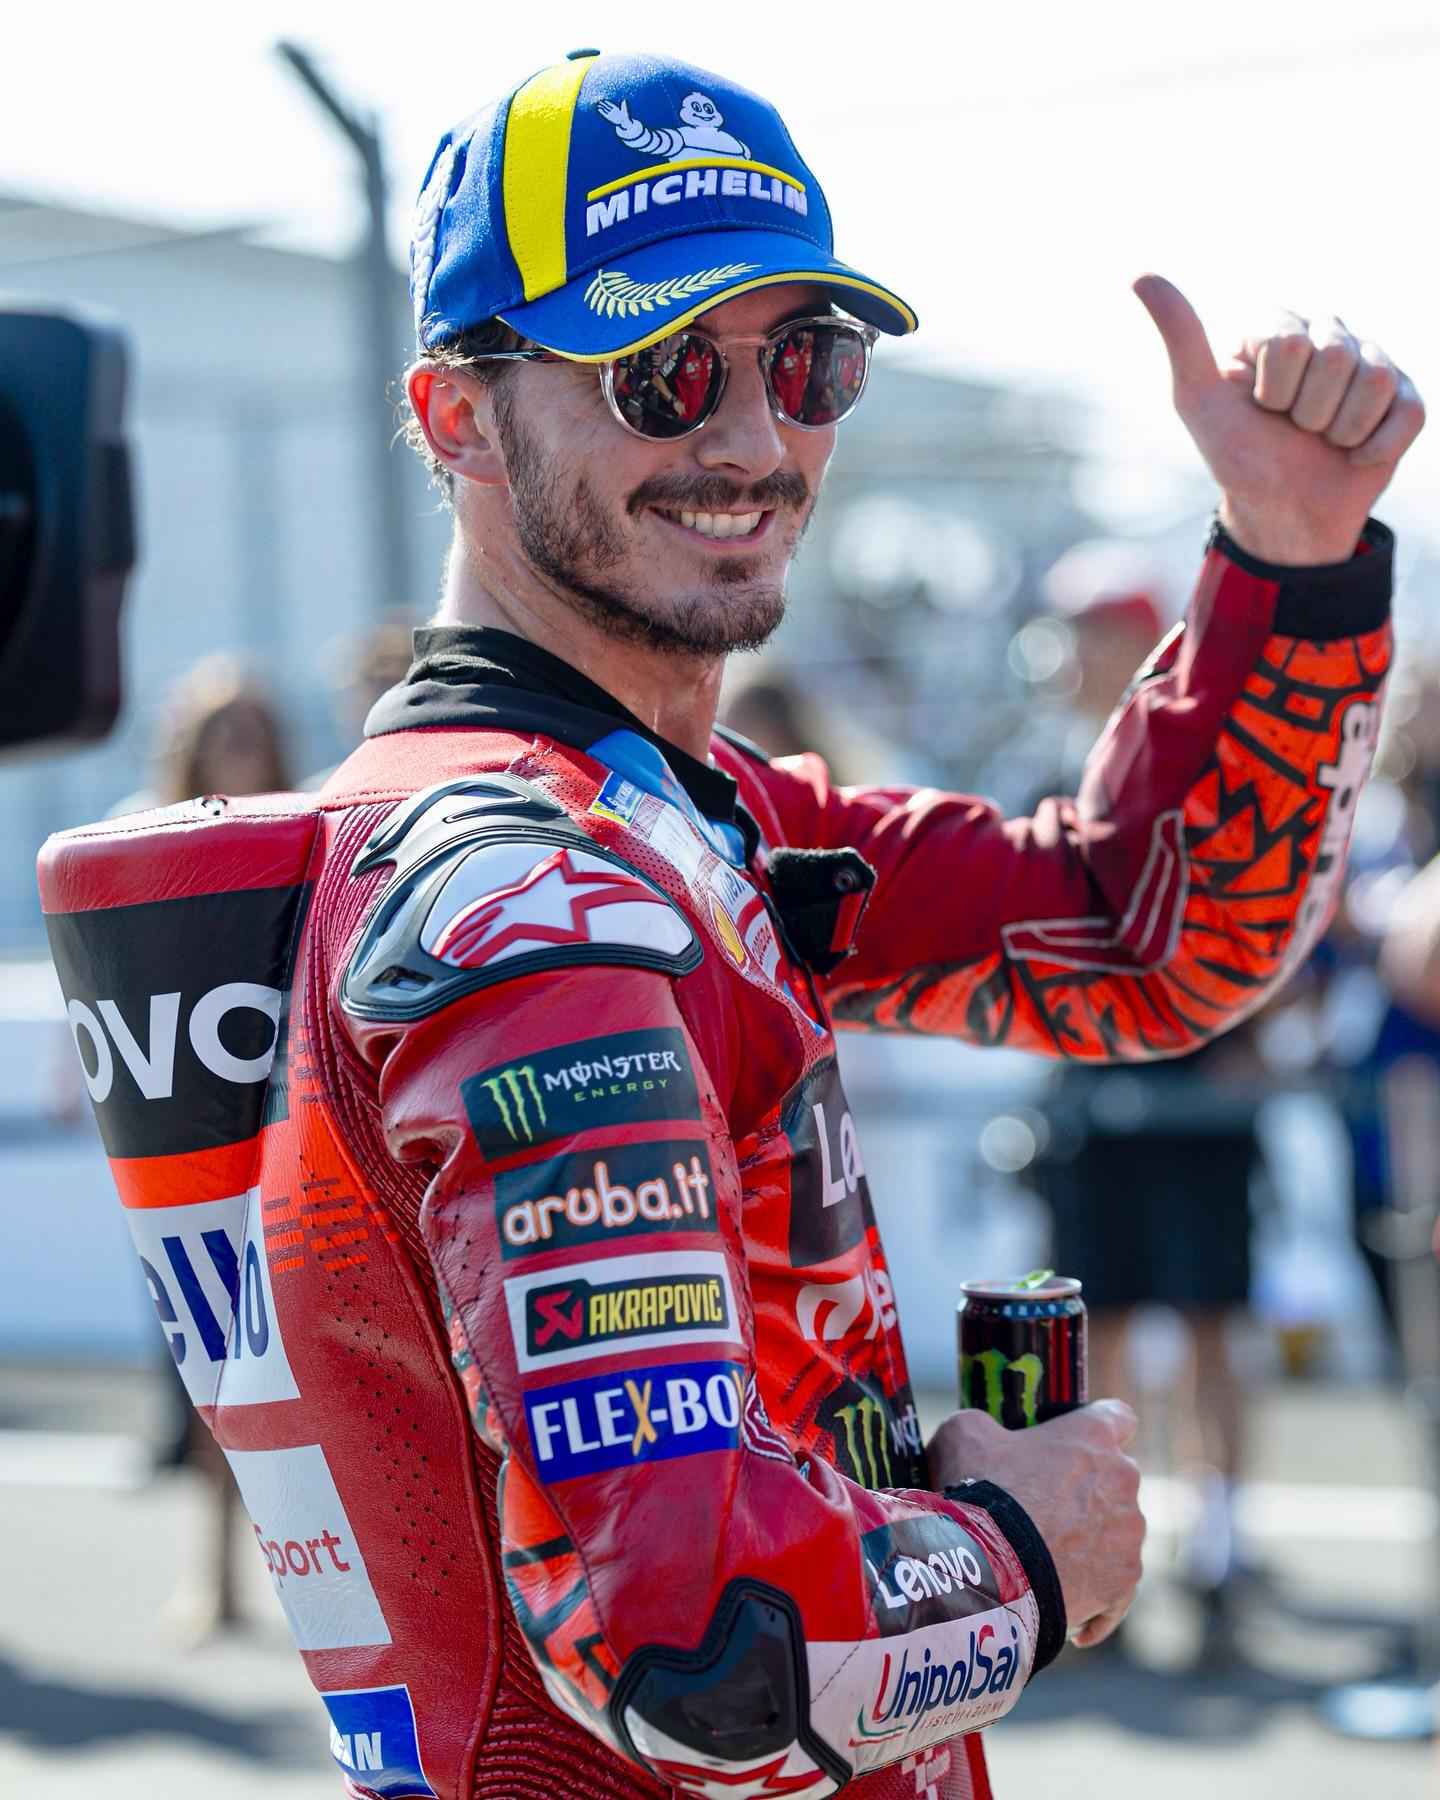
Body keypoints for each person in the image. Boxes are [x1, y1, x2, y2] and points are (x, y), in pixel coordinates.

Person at [37, 49, 1419, 1800]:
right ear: (455, 417)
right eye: (661, 368)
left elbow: (1142, 941)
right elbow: (697, 1647)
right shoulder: (536, 902)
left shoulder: (695, 821)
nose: (755, 438)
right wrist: (1021, 1547)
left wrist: (1290, 560)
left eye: (807, 360)